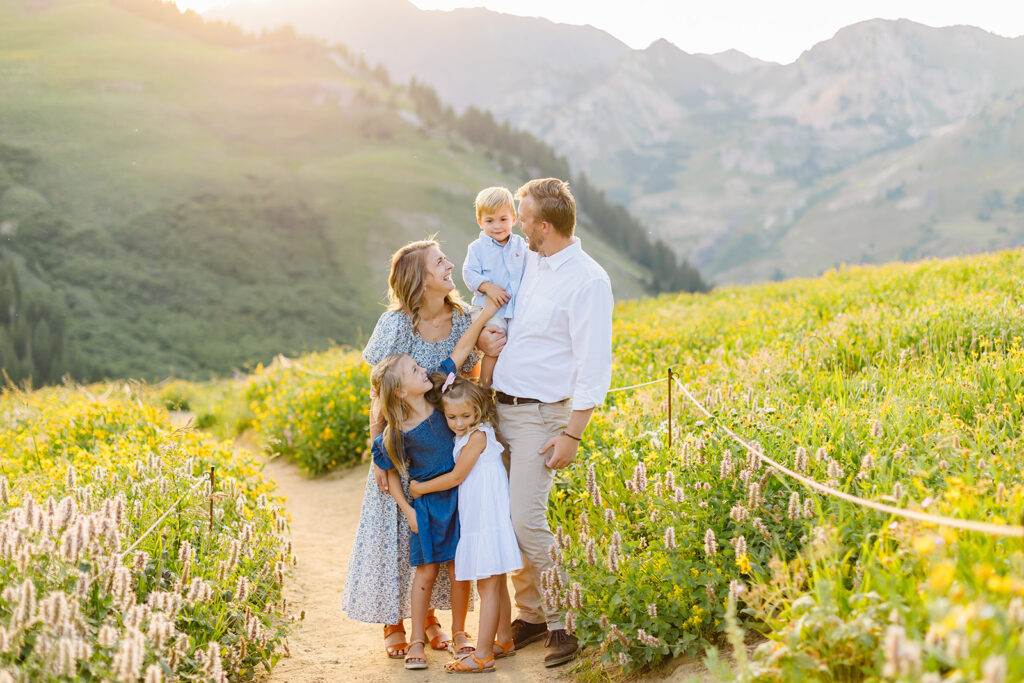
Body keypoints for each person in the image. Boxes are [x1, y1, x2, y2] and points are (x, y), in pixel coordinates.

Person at [341, 238, 504, 659]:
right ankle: (394, 622)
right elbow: (380, 390)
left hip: (443, 448)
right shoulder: (395, 323)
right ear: (420, 278)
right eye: (440, 262)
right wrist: (379, 450)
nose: (450, 266)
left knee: (442, 540)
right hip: (399, 444)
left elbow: (466, 378)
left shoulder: (464, 317)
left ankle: (430, 619)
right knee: (396, 532)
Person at [492, 178, 613, 667]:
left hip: (542, 417)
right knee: (505, 519)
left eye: (522, 217)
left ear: (545, 224)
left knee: (526, 518)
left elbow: (593, 366)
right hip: (498, 408)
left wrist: (572, 433)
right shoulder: (531, 262)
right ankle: (533, 613)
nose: (516, 224)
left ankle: (567, 619)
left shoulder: (588, 280)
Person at [369, 296, 500, 670]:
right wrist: (407, 509)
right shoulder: (394, 434)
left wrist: (485, 316)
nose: (421, 368)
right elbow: (390, 471)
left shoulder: (440, 391)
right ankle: (415, 641)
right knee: (425, 571)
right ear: (398, 391)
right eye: (413, 369)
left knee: (460, 568)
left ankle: (460, 634)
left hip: (461, 496)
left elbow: (460, 351)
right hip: (426, 507)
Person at [409, 376, 522, 673]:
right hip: (484, 519)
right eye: (452, 417)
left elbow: (457, 476)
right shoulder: (468, 434)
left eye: (465, 416)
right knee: (496, 584)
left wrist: (421, 488)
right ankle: (505, 639)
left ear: (480, 411)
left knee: (487, 586)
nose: (459, 423)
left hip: (485, 520)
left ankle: (483, 654)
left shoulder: (478, 436)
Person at [462, 186, 527, 387]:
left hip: (512, 310)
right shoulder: (477, 248)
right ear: (480, 222)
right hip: (487, 310)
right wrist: (487, 286)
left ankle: (505, 384)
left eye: (503, 219)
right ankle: (484, 385)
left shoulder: (520, 246)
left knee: (513, 345)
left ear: (514, 219)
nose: (497, 226)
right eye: (490, 221)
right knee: (495, 341)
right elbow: (469, 273)